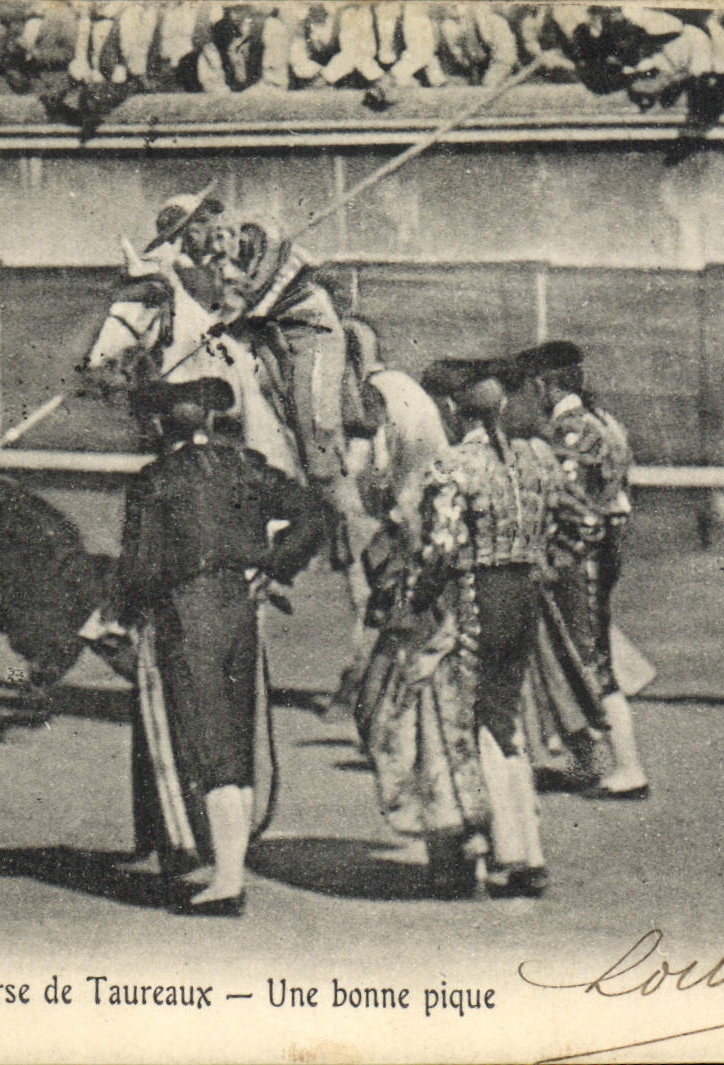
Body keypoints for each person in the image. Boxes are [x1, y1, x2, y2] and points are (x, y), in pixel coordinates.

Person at [111, 376, 327, 915]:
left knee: (205, 743)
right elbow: (315, 513)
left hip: (185, 612)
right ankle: (230, 870)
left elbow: (139, 570)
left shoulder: (154, 481)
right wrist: (275, 566)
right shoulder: (246, 466)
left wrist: (123, 617)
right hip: (240, 608)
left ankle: (227, 880)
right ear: (210, 419)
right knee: (235, 737)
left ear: (160, 425)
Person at [358, 357, 560, 898]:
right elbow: (555, 524)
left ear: (451, 409)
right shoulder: (534, 459)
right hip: (523, 599)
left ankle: (500, 852)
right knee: (506, 721)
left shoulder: (453, 466)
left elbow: (441, 549)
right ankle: (528, 850)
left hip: (475, 602)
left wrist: (414, 602)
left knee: (468, 726)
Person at [508, 340, 649, 799]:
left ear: (542, 385)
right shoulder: (602, 421)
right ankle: (587, 762)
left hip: (578, 558)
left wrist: (551, 561)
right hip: (598, 552)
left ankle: (628, 769)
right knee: (577, 655)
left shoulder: (569, 431)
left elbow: (577, 513)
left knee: (588, 659)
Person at [144, 186, 348, 489]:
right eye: (177, 239)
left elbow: (250, 296)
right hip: (260, 336)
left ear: (205, 221)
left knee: (314, 420)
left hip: (306, 328)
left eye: (186, 233)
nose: (184, 245)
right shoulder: (209, 262)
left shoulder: (258, 232)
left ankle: (328, 488)